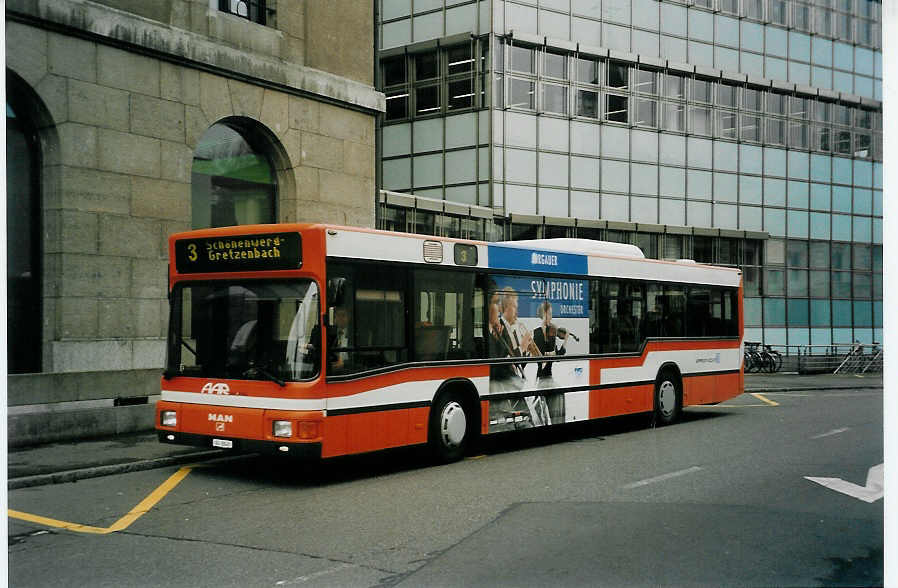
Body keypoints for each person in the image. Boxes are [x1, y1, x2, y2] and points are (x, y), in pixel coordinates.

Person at [532, 301, 567, 379]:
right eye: (549, 314)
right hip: (541, 377)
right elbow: (540, 355)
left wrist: (565, 341)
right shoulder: (537, 332)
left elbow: (557, 357)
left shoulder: (552, 331)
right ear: (544, 314)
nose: (551, 317)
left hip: (549, 376)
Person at [328, 306, 351, 373]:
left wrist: (345, 364)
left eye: (343, 315)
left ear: (349, 318)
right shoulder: (330, 333)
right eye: (338, 315)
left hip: (349, 372)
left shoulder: (353, 335)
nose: (340, 318)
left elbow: (357, 359)